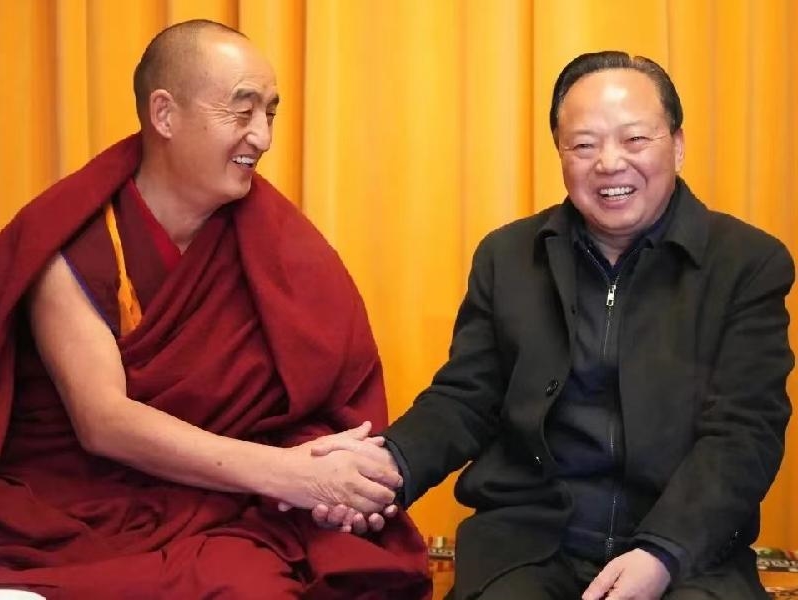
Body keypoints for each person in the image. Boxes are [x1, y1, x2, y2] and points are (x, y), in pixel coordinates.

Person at [310, 51, 795, 599]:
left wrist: (663, 552)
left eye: (635, 139)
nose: (609, 163)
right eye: (584, 145)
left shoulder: (747, 264)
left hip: (686, 551)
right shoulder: (509, 256)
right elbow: (465, 399)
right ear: (560, 154)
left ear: (678, 145)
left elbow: (744, 433)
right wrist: (386, 465)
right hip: (531, 543)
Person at [0, 19, 430, 600]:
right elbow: (104, 422)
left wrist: (337, 471)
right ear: (164, 114)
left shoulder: (276, 241)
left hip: (222, 504)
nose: (263, 137)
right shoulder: (72, 241)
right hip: (77, 507)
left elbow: (323, 395)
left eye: (270, 114)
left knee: (256, 584)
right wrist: (295, 476)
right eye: (242, 111)